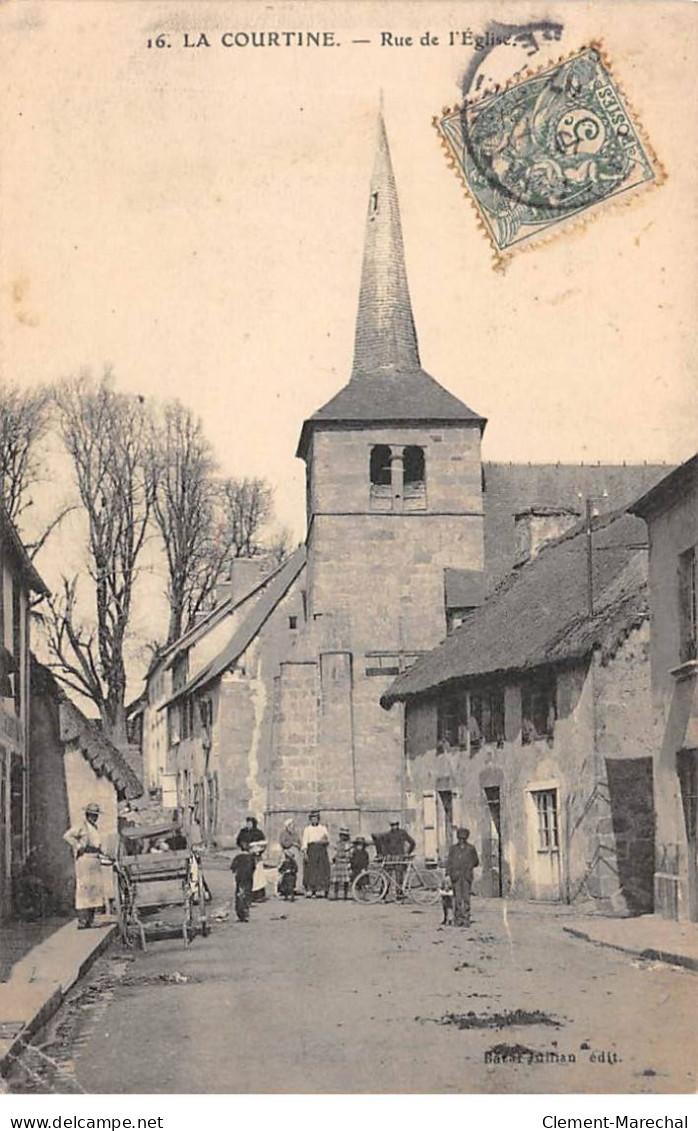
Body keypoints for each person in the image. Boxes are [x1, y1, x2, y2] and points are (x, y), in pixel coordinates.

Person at [63, 802, 110, 929]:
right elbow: (67, 836)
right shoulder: (81, 826)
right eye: (91, 815)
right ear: (87, 814)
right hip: (84, 860)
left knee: (95, 889)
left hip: (94, 860)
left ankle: (91, 919)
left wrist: (104, 853)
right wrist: (78, 846)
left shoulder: (94, 827)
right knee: (84, 889)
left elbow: (97, 845)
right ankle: (82, 921)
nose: (94, 817)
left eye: (96, 815)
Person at [446, 827, 480, 927]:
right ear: (457, 838)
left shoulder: (471, 849)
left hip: (466, 877)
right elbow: (449, 863)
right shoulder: (453, 849)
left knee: (466, 898)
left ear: (466, 838)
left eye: (463, 839)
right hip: (456, 877)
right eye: (460, 838)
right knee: (457, 899)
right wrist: (447, 875)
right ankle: (458, 919)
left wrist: (469, 866)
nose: (461, 841)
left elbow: (476, 861)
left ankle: (466, 919)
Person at [381, 819, 416, 896]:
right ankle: (383, 894)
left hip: (400, 856)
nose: (394, 827)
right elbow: (384, 846)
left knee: (399, 876)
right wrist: (384, 854)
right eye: (392, 825)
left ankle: (399, 894)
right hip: (390, 857)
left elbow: (412, 842)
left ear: (398, 825)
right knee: (386, 875)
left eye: (395, 825)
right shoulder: (388, 835)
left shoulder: (402, 833)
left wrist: (408, 853)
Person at [301, 811, 330, 897]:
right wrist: (305, 853)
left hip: (321, 850)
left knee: (322, 869)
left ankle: (322, 890)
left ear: (318, 819)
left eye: (316, 818)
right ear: (310, 820)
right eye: (312, 819)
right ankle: (312, 890)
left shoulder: (323, 828)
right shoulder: (307, 829)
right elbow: (305, 841)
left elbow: (327, 839)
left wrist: (322, 841)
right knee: (311, 870)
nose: (314, 820)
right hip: (312, 850)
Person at [231, 844, 256, 922]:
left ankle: (240, 914)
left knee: (239, 895)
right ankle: (245, 913)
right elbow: (254, 868)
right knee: (247, 894)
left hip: (239, 878)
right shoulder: (251, 858)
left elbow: (232, 867)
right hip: (248, 879)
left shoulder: (238, 857)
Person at [330, 828, 352, 900]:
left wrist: (348, 860)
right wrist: (334, 858)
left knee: (346, 880)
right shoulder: (337, 843)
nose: (343, 837)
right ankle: (335, 894)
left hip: (345, 862)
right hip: (338, 862)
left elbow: (349, 854)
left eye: (345, 835)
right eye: (342, 835)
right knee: (336, 880)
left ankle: (345, 895)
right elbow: (335, 852)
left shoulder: (348, 844)